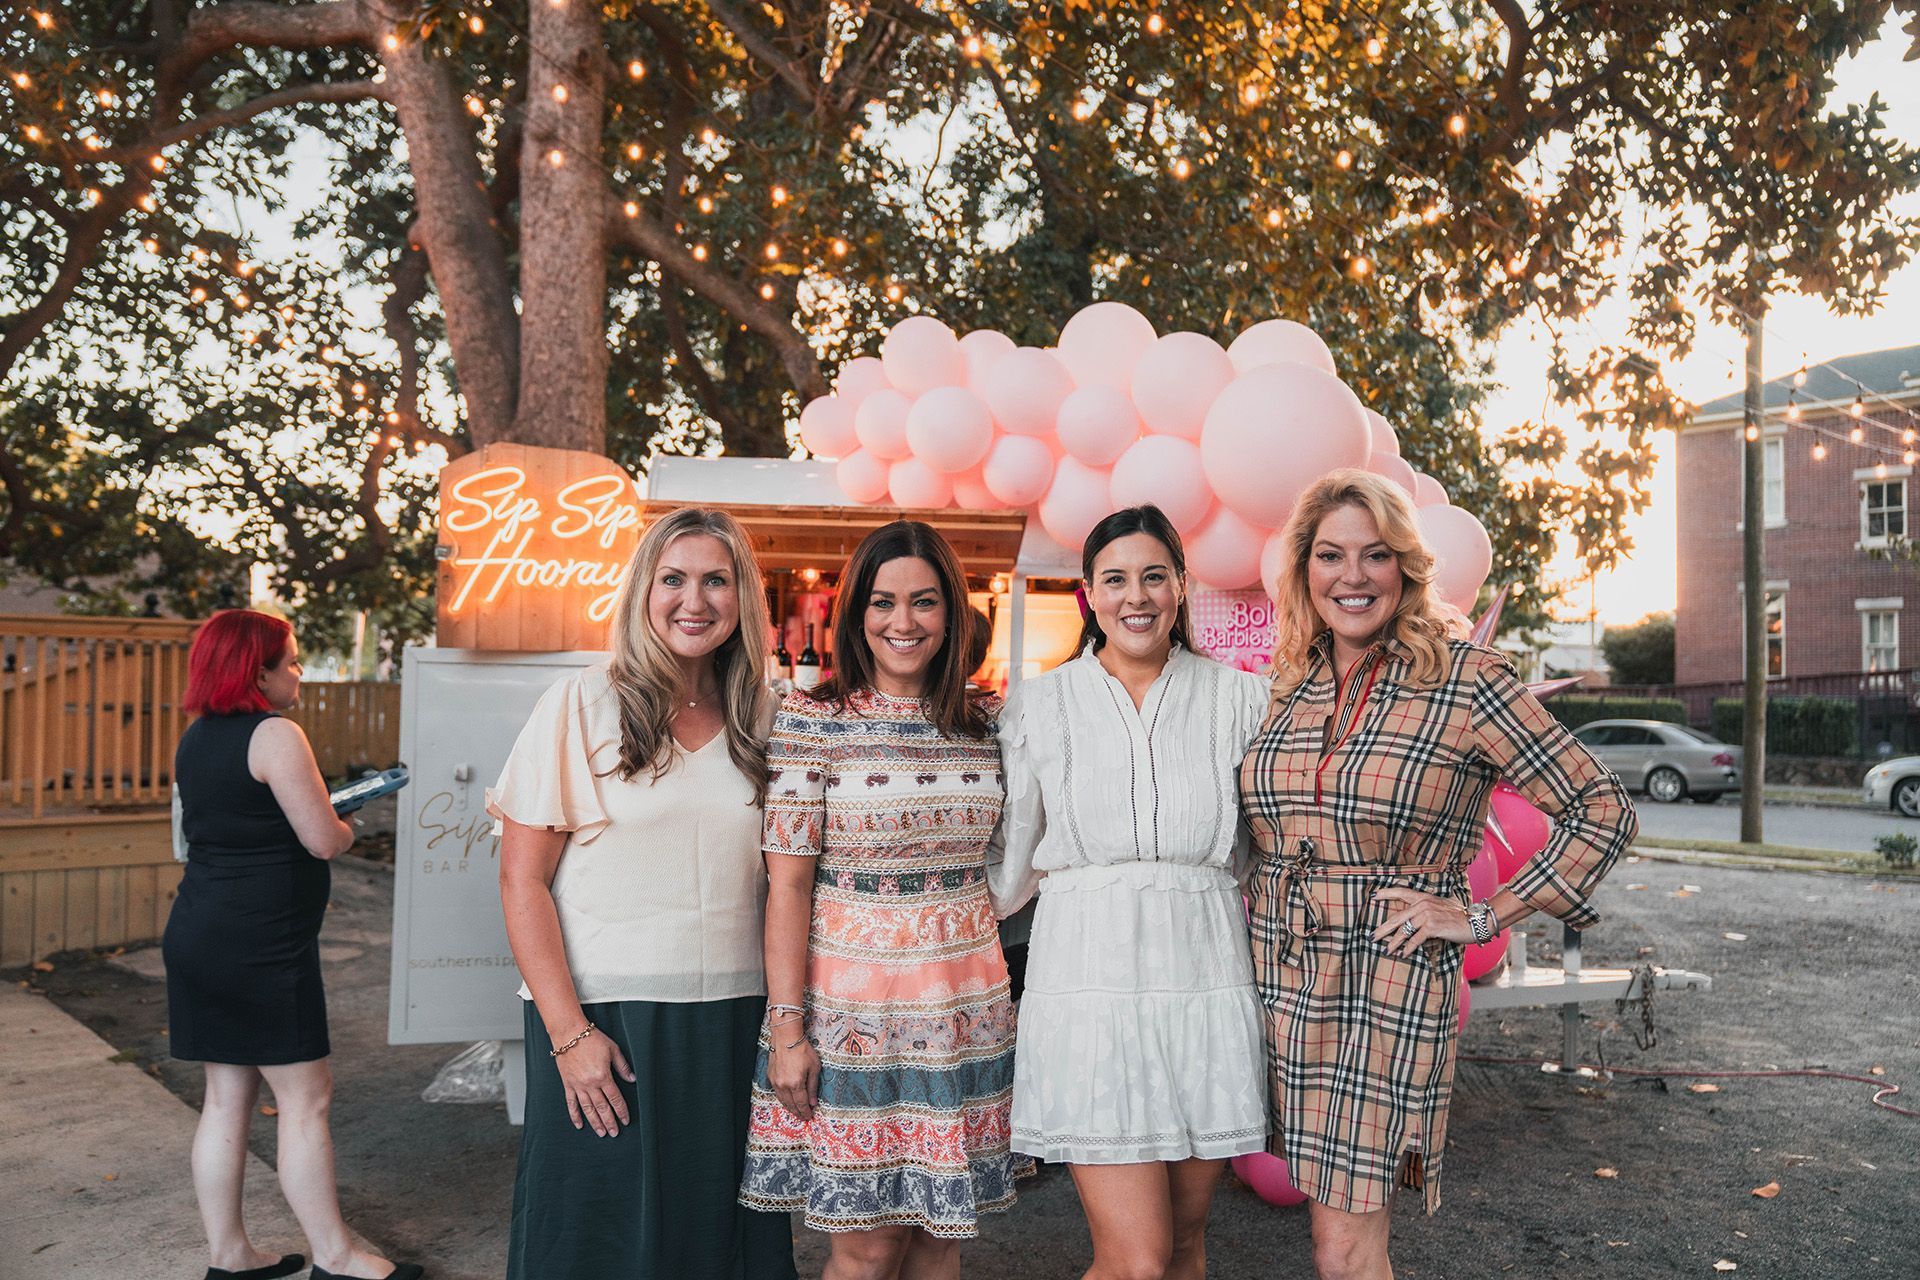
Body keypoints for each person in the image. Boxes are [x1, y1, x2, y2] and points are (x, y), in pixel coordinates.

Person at [1239, 469, 1637, 1280]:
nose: (1351, 576)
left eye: (1375, 555)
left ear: (1406, 568)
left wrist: (1483, 914)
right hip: (1278, 978)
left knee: (1344, 1244)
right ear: (1303, 570)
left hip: (1388, 975)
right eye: (1330, 555)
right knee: (1330, 1226)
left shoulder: (1467, 680)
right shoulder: (1289, 684)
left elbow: (1602, 807)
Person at [491, 507, 796, 1280]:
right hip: (604, 1026)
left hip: (734, 1020)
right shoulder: (580, 704)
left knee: (718, 1246)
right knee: (598, 1243)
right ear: (643, 591)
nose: (694, 600)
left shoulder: (770, 714)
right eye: (674, 579)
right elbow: (521, 879)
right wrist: (568, 1036)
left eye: (716, 581)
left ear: (742, 599)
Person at [988, 505, 1270, 1280]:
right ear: (1089, 594)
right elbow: (1010, 868)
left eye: (1154, 575)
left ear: (1182, 586)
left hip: (1206, 980)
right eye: (1115, 579)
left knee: (1183, 1250)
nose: (1135, 596)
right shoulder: (1040, 706)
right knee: (1137, 1261)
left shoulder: (1244, 702)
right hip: (1089, 986)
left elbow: (1261, 851)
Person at [739, 520, 1027, 1278]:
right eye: (883, 602)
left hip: (965, 1009)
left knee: (940, 1242)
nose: (904, 623)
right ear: (856, 614)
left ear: (953, 613)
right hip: (851, 1018)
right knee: (865, 1250)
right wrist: (789, 1030)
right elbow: (788, 886)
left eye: (925, 602)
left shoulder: (987, 723)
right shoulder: (812, 723)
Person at [163, 609, 419, 1280]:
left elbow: (234, 825)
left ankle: (230, 1255)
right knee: (308, 1098)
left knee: (226, 1096)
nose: (300, 672)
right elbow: (320, 839)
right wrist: (345, 825)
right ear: (259, 672)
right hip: (261, 947)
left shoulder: (197, 739)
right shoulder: (276, 734)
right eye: (293, 661)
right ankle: (335, 1258)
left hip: (199, 931)